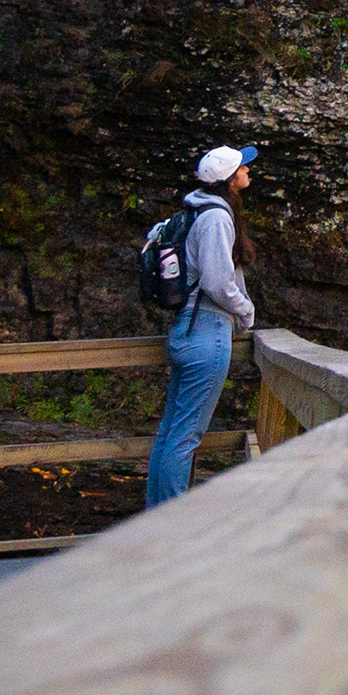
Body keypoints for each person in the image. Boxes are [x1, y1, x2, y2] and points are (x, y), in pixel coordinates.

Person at [146, 142, 259, 506]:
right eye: (242, 168)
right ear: (228, 180)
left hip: (189, 330)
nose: (248, 171)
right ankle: (170, 526)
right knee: (184, 439)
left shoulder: (197, 211)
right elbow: (217, 282)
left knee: (171, 435)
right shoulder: (215, 218)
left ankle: (156, 520)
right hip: (206, 333)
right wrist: (246, 311)